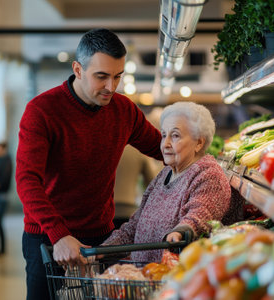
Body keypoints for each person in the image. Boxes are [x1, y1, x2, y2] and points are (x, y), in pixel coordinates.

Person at [15, 28, 163, 300]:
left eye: (117, 76)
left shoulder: (124, 111)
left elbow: (161, 148)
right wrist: (59, 235)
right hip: (47, 238)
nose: (111, 87)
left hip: (102, 239)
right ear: (78, 69)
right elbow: (27, 181)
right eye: (102, 76)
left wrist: (194, 149)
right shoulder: (41, 111)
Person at [102, 101, 234, 263]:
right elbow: (134, 225)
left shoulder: (209, 175)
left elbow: (201, 214)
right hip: (147, 278)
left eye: (175, 136)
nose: (165, 144)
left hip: (177, 279)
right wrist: (102, 249)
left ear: (199, 142)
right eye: (164, 135)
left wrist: (181, 231)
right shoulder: (165, 174)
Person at [113, 145, 159, 229]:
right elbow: (153, 184)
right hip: (128, 212)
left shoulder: (100, 146)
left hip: (101, 215)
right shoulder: (139, 150)